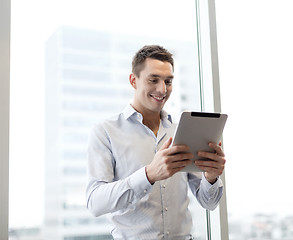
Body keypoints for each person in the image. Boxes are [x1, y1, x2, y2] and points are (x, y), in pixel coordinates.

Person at [86, 45, 226, 240]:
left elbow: (208, 202)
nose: (162, 89)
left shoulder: (181, 131)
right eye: (153, 80)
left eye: (168, 81)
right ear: (133, 80)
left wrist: (211, 177)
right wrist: (148, 174)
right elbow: (95, 203)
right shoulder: (106, 132)